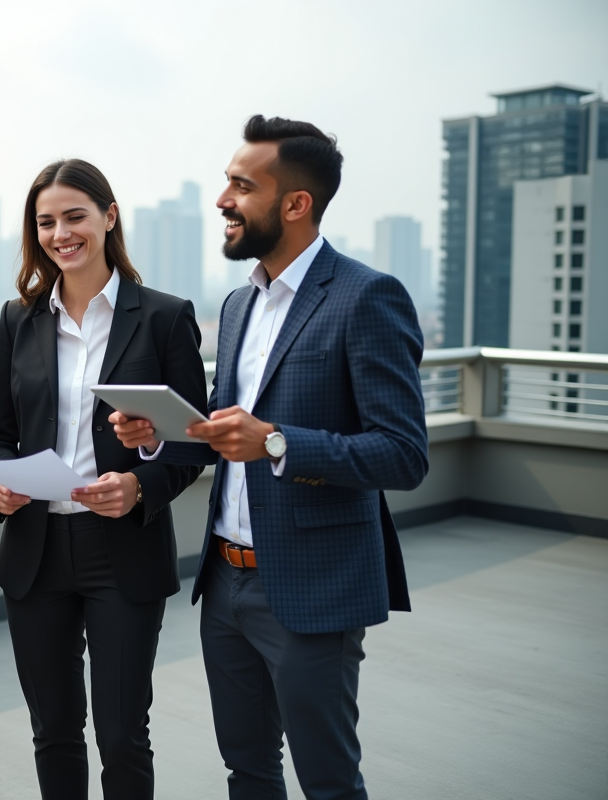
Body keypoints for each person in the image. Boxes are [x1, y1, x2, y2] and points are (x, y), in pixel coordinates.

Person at [112, 116, 429, 799]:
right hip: (224, 583)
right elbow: (228, 433)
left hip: (313, 590)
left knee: (328, 782)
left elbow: (403, 454)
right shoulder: (235, 306)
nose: (222, 200)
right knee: (248, 771)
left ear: (295, 204)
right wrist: (160, 435)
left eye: (240, 185)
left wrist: (278, 442)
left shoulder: (366, 297)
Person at [0, 159, 208, 800]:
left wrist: (141, 486)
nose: (61, 234)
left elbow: (193, 441)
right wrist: (2, 486)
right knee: (52, 729)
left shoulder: (164, 318)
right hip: (35, 550)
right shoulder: (16, 320)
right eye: (46, 222)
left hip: (124, 551)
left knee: (122, 733)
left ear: (109, 217)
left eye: (75, 217)